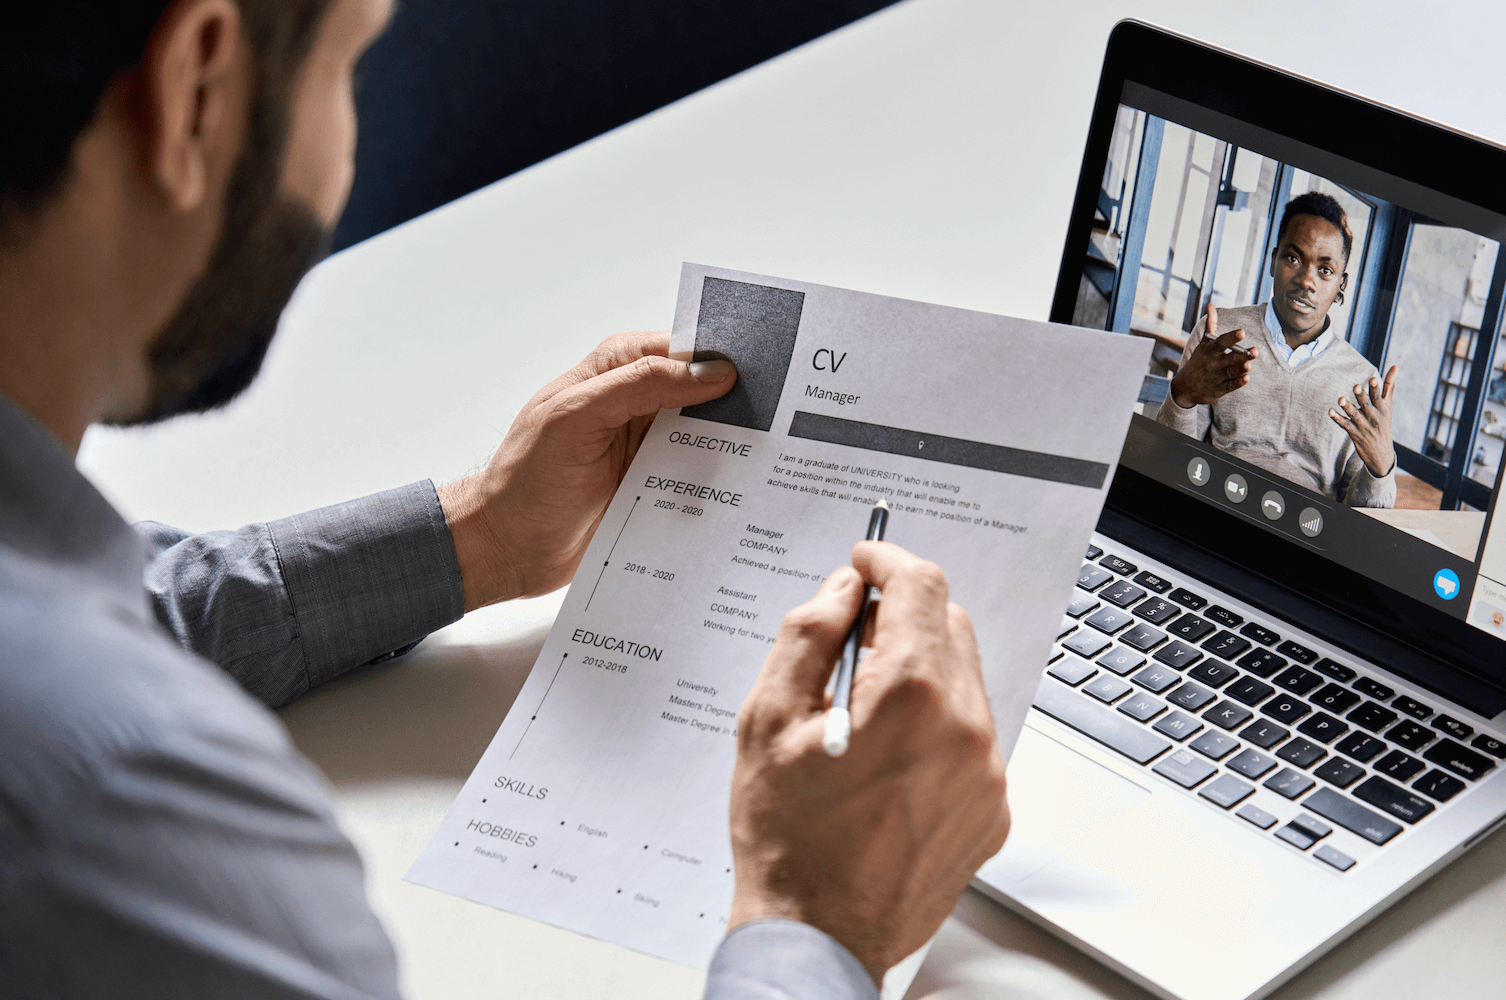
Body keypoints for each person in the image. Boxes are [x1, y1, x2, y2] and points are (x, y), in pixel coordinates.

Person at [0, 2, 1010, 998]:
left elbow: (115, 607)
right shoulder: (134, 837)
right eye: (349, 70)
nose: (345, 153)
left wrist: (480, 533)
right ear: (196, 88)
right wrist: (816, 924)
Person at [1156, 191, 1399, 507]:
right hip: (1212, 506)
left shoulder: (1363, 381)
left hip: (1304, 535)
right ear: (1273, 260)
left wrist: (1381, 469)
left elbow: (1360, 522)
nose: (1306, 281)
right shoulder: (1217, 335)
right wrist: (1182, 396)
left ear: (1341, 285)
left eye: (1325, 270)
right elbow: (1172, 459)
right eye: (1293, 258)